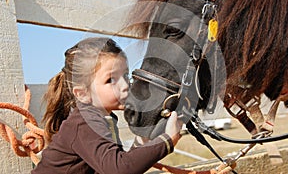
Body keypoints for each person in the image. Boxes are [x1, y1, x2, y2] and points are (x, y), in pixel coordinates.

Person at [31, 37, 182, 174]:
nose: (125, 85)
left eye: (125, 76)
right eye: (110, 80)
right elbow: (119, 169)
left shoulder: (101, 118)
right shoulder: (84, 123)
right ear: (83, 94)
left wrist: (143, 140)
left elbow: (115, 162)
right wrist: (167, 141)